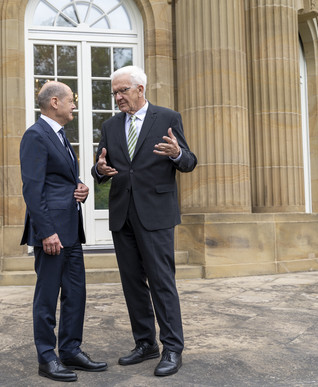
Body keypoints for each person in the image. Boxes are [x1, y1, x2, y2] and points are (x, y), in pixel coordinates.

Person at [92, 66, 197, 377]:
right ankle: (145, 343)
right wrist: (99, 170)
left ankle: (173, 347)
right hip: (122, 213)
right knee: (133, 283)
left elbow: (189, 162)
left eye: (122, 91)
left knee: (162, 282)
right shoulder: (110, 125)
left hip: (156, 213)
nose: (117, 97)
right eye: (114, 92)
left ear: (140, 89)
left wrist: (177, 153)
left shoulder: (167, 118)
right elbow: (102, 166)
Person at [20, 81, 107, 382]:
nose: (75, 106)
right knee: (47, 296)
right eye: (72, 100)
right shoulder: (36, 135)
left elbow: (57, 181)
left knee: (75, 293)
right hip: (52, 233)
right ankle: (47, 357)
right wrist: (46, 232)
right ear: (54, 102)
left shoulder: (60, 136)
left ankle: (70, 350)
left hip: (71, 229)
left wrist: (79, 187)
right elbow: (32, 190)